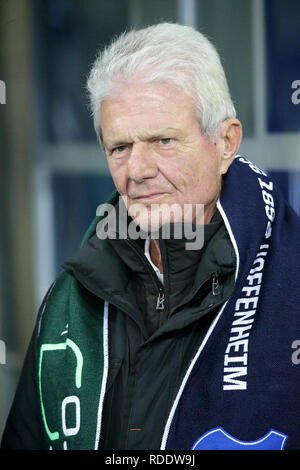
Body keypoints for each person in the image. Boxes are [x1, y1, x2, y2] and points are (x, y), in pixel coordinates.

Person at [1, 22, 300, 451]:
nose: (137, 171)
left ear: (225, 142)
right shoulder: (72, 296)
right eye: (120, 147)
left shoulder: (291, 280)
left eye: (163, 140)